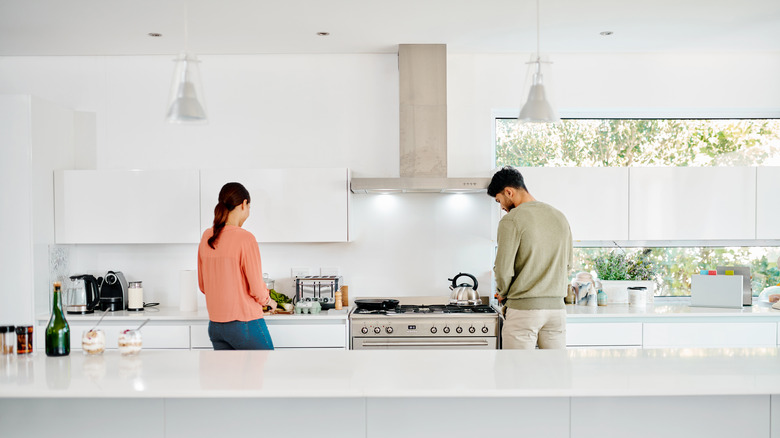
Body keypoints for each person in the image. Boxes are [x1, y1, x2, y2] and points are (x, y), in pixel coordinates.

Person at [488, 166, 573, 349]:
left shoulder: (511, 220)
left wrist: (502, 293)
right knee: (554, 373)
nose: (502, 207)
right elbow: (568, 265)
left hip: (524, 311)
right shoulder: (559, 217)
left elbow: (503, 269)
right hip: (556, 311)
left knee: (518, 372)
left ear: (509, 192)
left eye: (499, 200)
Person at [197, 182, 277, 350]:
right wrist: (269, 301)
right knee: (268, 371)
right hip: (245, 324)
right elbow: (256, 288)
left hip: (216, 327)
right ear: (244, 204)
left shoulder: (206, 236)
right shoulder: (245, 238)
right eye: (249, 207)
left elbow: (203, 286)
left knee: (229, 377)